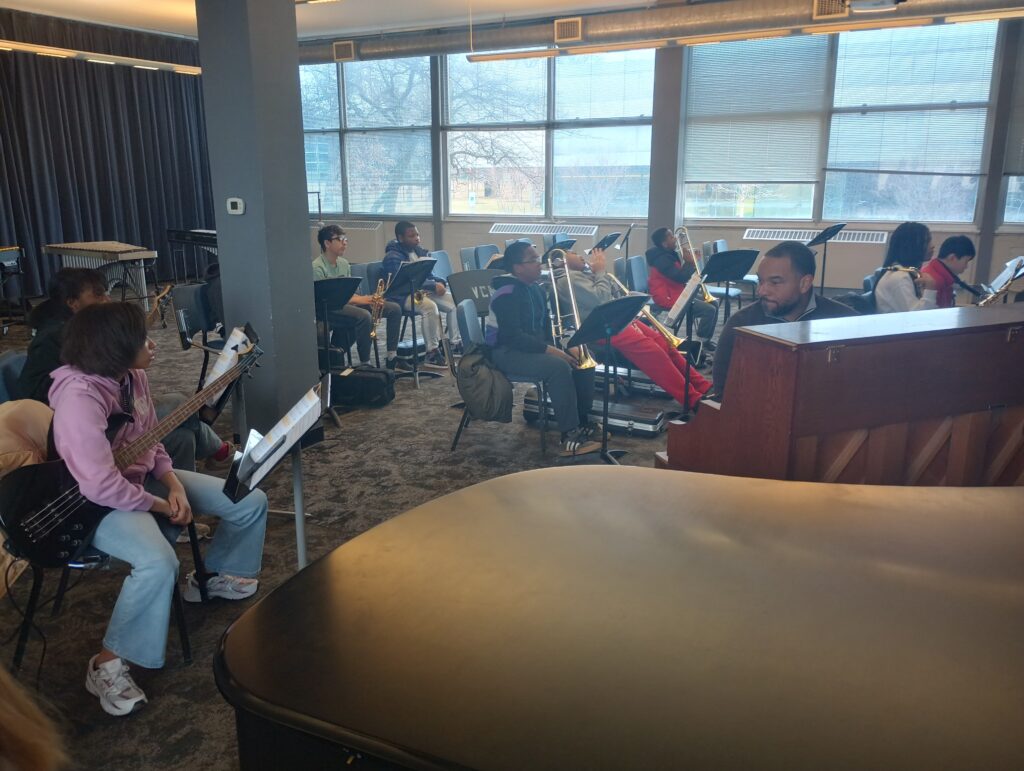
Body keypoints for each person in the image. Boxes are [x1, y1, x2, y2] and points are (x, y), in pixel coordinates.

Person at [48, 302, 268, 717]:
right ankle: (105, 663)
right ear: (114, 348)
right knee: (157, 563)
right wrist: (162, 504)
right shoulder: (79, 399)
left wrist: (172, 483)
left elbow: (151, 441)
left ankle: (210, 577)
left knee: (249, 500)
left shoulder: (134, 378)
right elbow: (98, 484)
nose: (152, 344)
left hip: (140, 483)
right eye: (141, 339)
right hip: (91, 502)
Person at [16, 269, 235, 477]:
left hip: (113, 414)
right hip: (84, 429)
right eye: (99, 295)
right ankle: (220, 452)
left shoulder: (81, 331)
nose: (107, 301)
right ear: (73, 303)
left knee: (184, 437)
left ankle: (183, 497)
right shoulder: (56, 340)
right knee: (178, 404)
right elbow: (68, 396)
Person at [554, 247, 711, 410]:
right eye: (573, 253)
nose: (580, 255)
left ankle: (702, 385)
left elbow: (609, 296)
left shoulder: (583, 274)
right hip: (599, 328)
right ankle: (692, 399)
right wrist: (600, 272)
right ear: (560, 261)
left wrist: (598, 274)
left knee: (665, 343)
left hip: (614, 319)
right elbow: (600, 299)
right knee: (653, 352)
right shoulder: (567, 279)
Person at [485, 241, 601, 457]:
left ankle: (583, 422)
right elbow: (512, 337)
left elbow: (546, 331)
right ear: (518, 267)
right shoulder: (506, 293)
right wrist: (553, 352)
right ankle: (569, 436)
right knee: (558, 367)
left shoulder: (536, 290)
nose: (540, 264)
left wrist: (566, 347)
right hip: (505, 352)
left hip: (530, 348)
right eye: (533, 260)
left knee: (584, 357)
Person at [712, 241, 858, 400]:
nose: (762, 290)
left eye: (775, 282)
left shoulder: (845, 322)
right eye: (761, 281)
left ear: (804, 283)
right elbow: (722, 392)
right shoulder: (740, 323)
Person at [314, 225, 405, 371]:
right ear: (327, 243)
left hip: (346, 304)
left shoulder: (343, 263)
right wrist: (365, 299)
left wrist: (369, 298)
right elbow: (328, 298)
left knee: (393, 308)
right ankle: (365, 363)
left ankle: (391, 356)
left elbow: (350, 293)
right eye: (340, 239)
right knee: (364, 316)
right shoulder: (317, 267)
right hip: (328, 309)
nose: (345, 242)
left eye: (346, 239)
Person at [383, 221, 459, 367]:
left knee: (455, 302)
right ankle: (432, 351)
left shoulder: (419, 252)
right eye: (411, 236)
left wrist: (440, 282)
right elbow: (401, 283)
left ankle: (454, 343)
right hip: (403, 295)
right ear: (400, 238)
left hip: (422, 291)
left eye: (417, 234)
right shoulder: (392, 257)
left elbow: (429, 275)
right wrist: (432, 285)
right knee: (429, 307)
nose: (417, 238)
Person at [644, 227, 719, 348]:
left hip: (675, 291)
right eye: (671, 237)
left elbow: (678, 276)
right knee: (709, 310)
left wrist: (690, 262)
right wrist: (689, 263)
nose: (675, 238)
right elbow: (680, 277)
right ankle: (702, 340)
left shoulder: (668, 254)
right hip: (666, 296)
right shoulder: (661, 259)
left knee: (713, 303)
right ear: (664, 244)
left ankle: (706, 339)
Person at [874, 221, 939, 313]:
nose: (932, 246)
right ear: (910, 245)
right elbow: (918, 319)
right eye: (927, 241)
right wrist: (930, 289)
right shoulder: (899, 278)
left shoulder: (907, 272)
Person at [918, 235, 976, 309]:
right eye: (966, 261)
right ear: (952, 258)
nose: (966, 266)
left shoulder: (939, 273)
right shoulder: (936, 280)